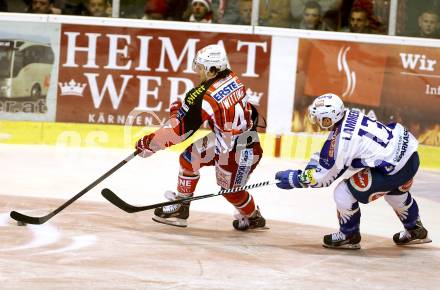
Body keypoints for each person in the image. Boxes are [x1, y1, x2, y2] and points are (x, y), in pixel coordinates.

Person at [275, 93, 432, 249]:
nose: (315, 121)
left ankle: (349, 235)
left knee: (343, 193)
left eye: (319, 118)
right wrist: (313, 165)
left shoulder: (344, 142)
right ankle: (415, 229)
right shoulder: (349, 115)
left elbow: (323, 178)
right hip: (409, 157)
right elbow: (330, 151)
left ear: (328, 119)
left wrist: (295, 178)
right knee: (395, 194)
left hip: (395, 168)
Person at [135, 44, 266, 231]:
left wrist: (151, 144)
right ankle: (181, 207)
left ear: (213, 69)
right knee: (188, 159)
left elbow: (179, 132)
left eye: (202, 68)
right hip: (233, 140)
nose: (198, 72)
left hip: (237, 153)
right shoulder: (232, 77)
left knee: (231, 193)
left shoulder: (204, 96)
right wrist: (179, 114)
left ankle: (253, 217)